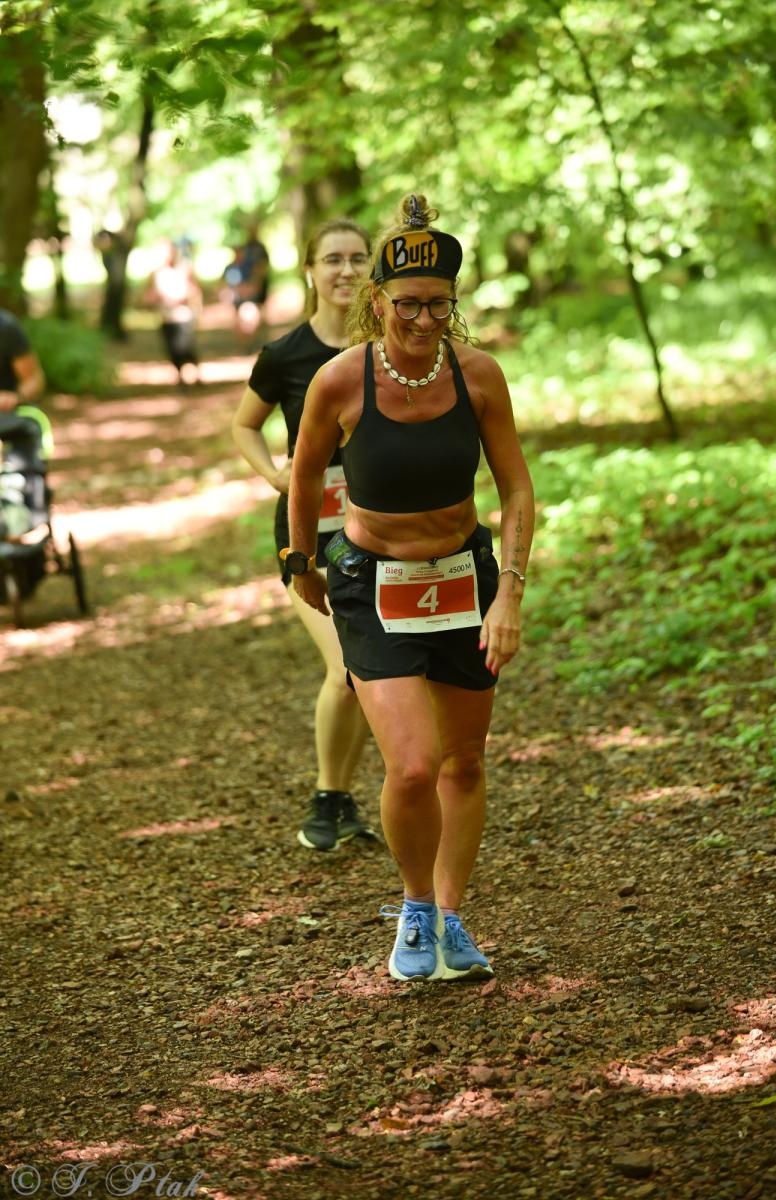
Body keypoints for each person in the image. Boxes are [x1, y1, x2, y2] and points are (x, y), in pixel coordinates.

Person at [286, 194, 535, 983]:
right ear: (377, 300)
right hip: (372, 583)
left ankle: (452, 917)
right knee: (415, 766)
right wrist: (300, 560)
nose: (424, 321)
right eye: (409, 305)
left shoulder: (478, 376)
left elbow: (516, 490)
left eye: (438, 305)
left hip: (463, 576)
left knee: (464, 763)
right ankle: (415, 908)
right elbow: (303, 476)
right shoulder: (339, 381)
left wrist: (509, 594)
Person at [231, 217, 378, 852]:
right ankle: (325, 798)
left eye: (358, 258)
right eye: (332, 259)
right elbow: (244, 424)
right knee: (347, 665)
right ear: (310, 271)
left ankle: (339, 800)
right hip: (308, 536)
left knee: (372, 671)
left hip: (379, 535)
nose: (346, 270)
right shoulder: (285, 354)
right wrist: (273, 474)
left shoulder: (389, 347)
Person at [0, 309, 47, 538]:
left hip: (8, 418)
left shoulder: (6, 328)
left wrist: (15, 396)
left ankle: (21, 518)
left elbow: (34, 380)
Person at [143, 238, 202, 387]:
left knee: (185, 347)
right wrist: (156, 299)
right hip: (166, 317)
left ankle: (195, 373)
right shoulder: (156, 274)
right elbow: (147, 296)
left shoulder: (184, 268)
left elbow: (194, 290)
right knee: (172, 349)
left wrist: (183, 299)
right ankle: (180, 376)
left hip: (183, 316)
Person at [222, 221, 270, 349]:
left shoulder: (257, 252)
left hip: (252, 295)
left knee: (251, 314)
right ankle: (245, 343)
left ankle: (253, 340)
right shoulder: (232, 267)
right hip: (240, 297)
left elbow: (260, 273)